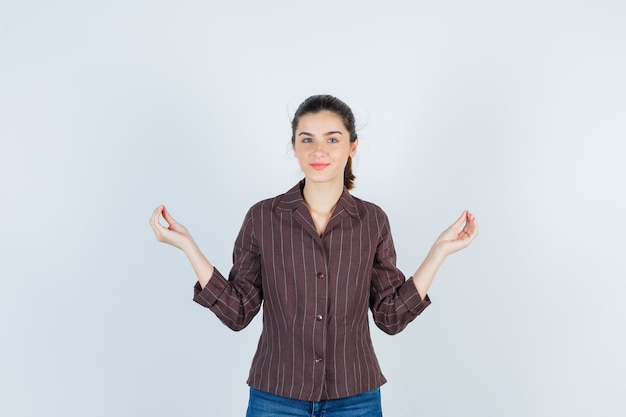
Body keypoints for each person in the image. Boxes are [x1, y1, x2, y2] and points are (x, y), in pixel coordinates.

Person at [149, 94, 478, 417]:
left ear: (352, 146)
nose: (318, 150)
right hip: (276, 395)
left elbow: (390, 316)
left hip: (355, 397)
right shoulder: (263, 217)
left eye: (332, 139)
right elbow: (238, 312)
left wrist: (439, 252)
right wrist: (188, 246)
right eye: (307, 139)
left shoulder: (373, 221)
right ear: (294, 147)